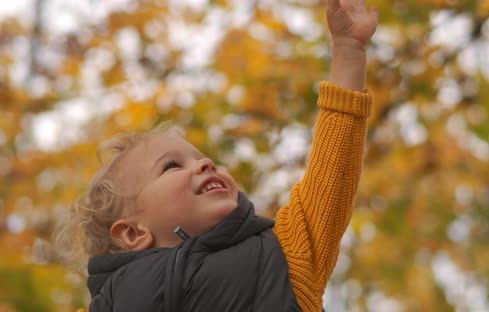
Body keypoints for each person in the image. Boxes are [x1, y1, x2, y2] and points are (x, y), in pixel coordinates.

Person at [57, 0, 378, 311]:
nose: (204, 164)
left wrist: (349, 51)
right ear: (133, 233)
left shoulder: (285, 255)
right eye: (171, 166)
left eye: (202, 158)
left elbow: (330, 177)